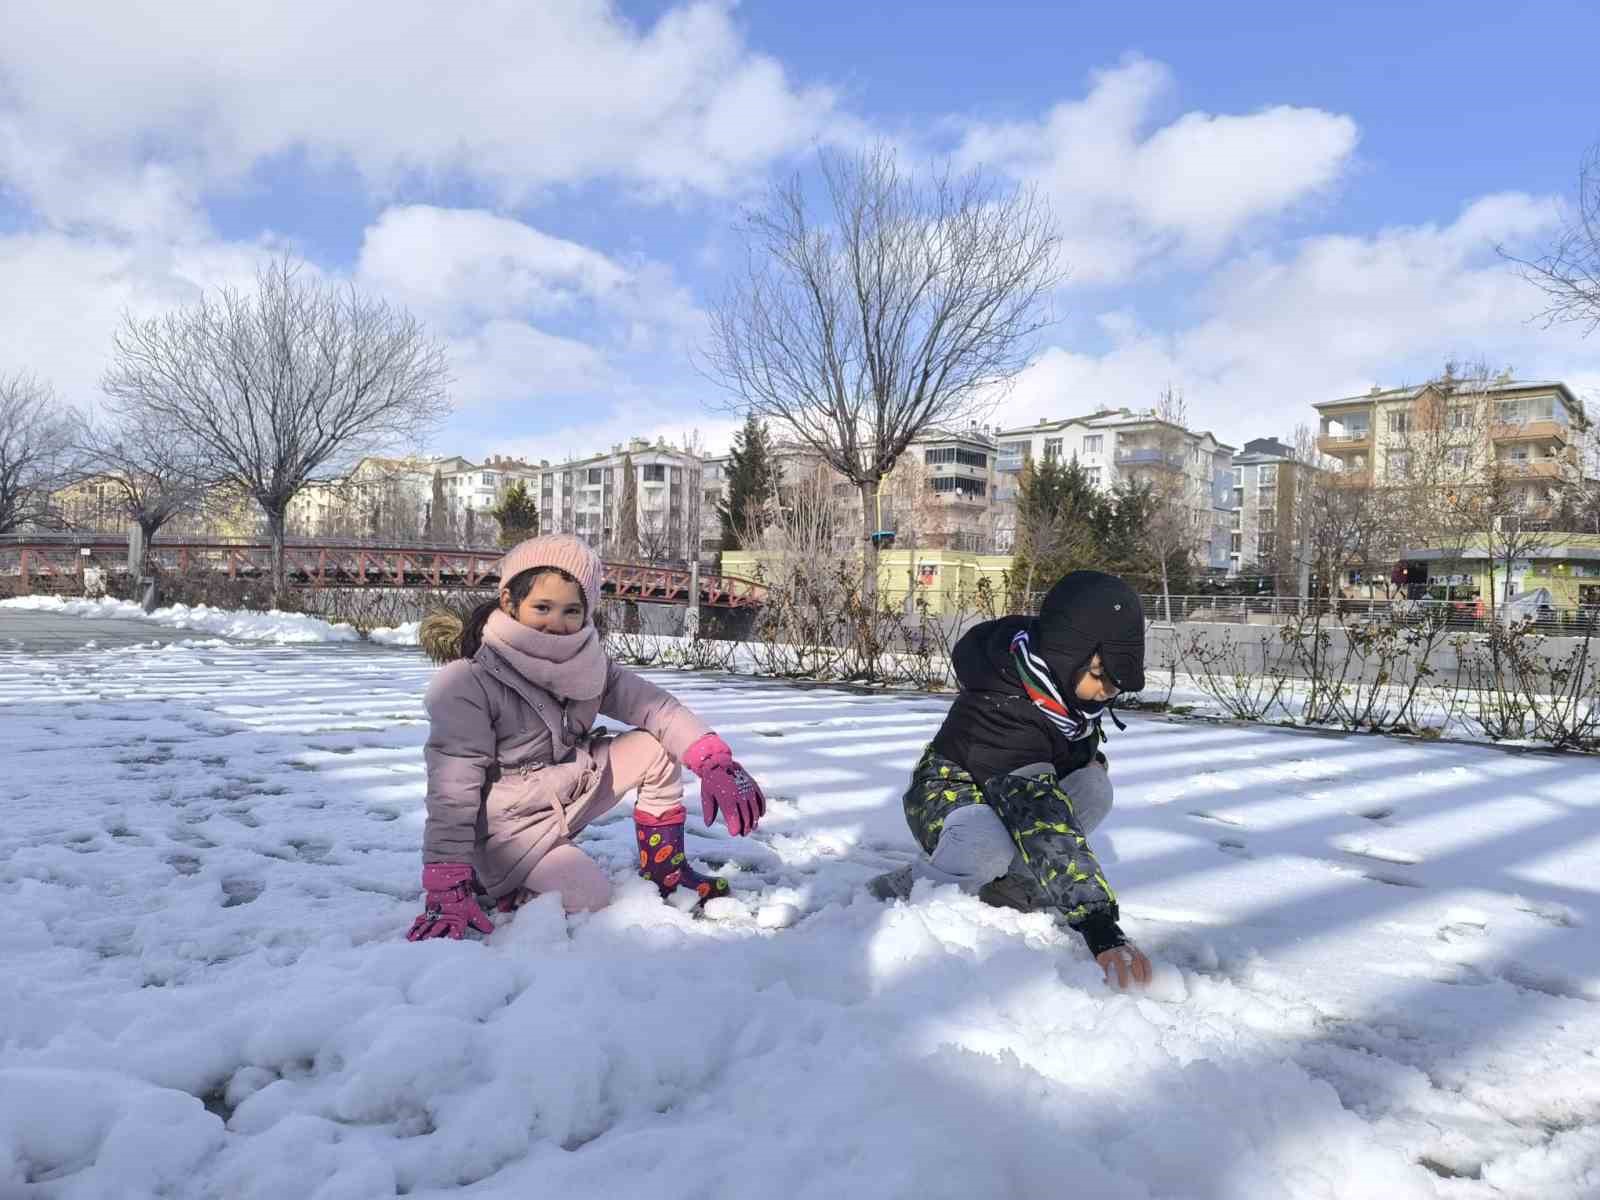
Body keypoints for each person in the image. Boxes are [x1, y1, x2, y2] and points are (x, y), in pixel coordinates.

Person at [406, 534, 766, 940]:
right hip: (506, 833)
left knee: (656, 747)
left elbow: (656, 707)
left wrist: (712, 758)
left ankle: (666, 870)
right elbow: (452, 788)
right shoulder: (467, 683)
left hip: (565, 791)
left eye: (571, 610)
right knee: (590, 895)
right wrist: (444, 877)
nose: (556, 624)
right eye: (542, 607)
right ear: (509, 602)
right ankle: (501, 886)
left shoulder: (587, 665)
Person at [870, 570, 1154, 990]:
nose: (1108, 691)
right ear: (1066, 653)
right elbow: (1042, 818)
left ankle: (1013, 888)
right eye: (1100, 674)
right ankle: (920, 886)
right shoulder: (1003, 706)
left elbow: (1060, 762)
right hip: (949, 796)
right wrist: (1098, 925)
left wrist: (1089, 760)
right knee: (987, 836)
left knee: (1094, 787)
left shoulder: (1062, 694)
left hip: (1014, 795)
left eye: (1115, 680)